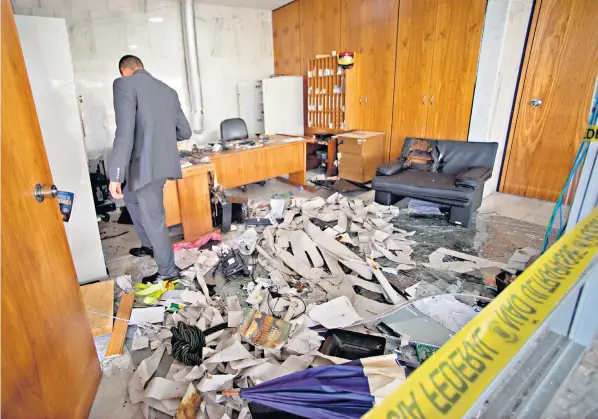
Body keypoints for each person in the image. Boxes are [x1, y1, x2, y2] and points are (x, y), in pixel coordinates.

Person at [109, 55, 192, 284]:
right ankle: (148, 246)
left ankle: (168, 271)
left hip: (146, 169)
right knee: (132, 201)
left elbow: (124, 132)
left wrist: (114, 174)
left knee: (154, 218)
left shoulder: (123, 84)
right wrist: (160, 139)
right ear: (141, 67)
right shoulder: (168, 91)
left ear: (123, 71)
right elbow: (185, 132)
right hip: (150, 165)